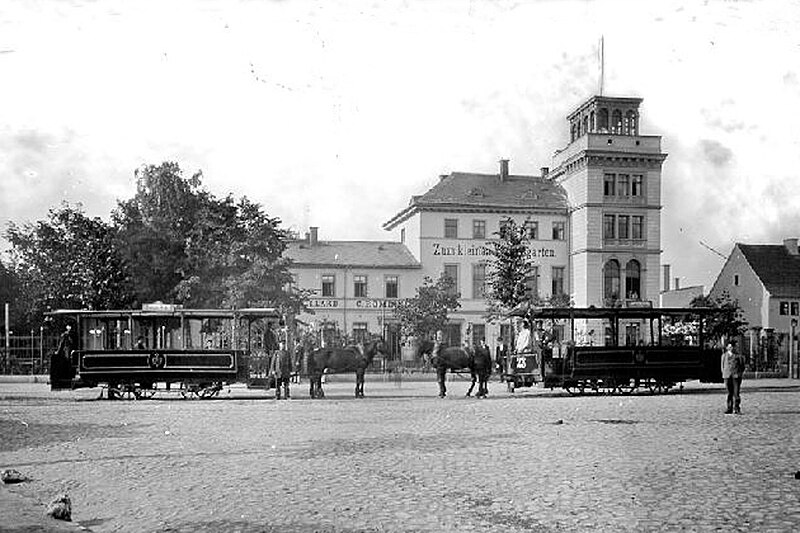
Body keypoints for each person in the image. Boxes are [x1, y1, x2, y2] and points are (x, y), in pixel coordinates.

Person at [721, 342, 746, 414]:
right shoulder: (724, 356)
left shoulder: (739, 356)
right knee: (729, 393)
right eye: (729, 347)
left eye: (732, 347)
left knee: (736, 393)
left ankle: (737, 408)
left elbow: (742, 366)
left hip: (736, 376)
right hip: (727, 376)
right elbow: (722, 366)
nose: (731, 348)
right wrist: (724, 374)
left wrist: (739, 373)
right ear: (727, 348)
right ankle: (729, 408)